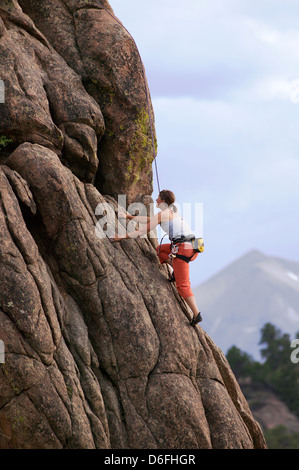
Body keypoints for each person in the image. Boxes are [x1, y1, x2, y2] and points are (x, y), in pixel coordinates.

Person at [111, 190, 202, 326]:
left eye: (158, 198)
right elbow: (149, 221)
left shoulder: (163, 214)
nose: (156, 199)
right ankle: (175, 271)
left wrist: (120, 237)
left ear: (164, 201)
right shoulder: (173, 213)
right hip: (191, 248)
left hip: (182, 250)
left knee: (183, 286)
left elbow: (142, 231)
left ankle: (196, 314)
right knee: (161, 250)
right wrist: (129, 217)